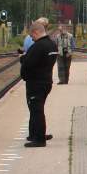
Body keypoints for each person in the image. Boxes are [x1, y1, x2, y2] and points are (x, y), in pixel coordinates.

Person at [20, 19, 58, 148]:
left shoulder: (38, 46)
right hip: (46, 80)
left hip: (36, 82)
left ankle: (39, 139)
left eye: (32, 35)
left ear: (36, 32)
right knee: (38, 109)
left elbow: (29, 64)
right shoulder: (52, 45)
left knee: (36, 110)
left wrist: (23, 61)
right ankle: (36, 134)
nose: (32, 38)